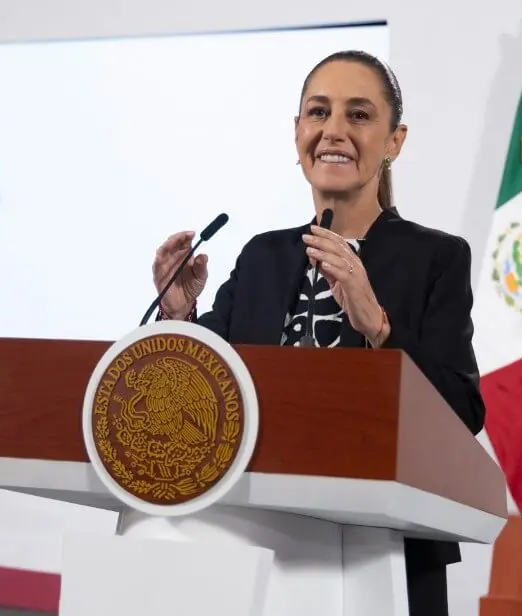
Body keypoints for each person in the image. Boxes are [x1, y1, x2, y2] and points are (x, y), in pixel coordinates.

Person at [150, 50, 485, 616]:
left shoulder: (437, 257)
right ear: (297, 132)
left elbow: (463, 412)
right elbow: (205, 390)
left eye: (358, 115)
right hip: (255, 542)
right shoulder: (262, 256)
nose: (334, 130)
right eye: (318, 112)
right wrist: (180, 317)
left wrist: (379, 328)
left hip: (390, 558)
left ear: (394, 141)